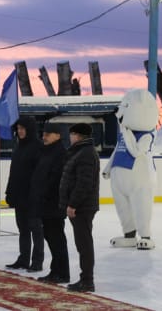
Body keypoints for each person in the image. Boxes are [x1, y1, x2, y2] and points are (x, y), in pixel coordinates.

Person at [59, 123, 100, 292]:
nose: (70, 137)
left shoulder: (85, 153)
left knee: (84, 244)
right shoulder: (80, 152)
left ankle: (87, 280)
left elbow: (84, 182)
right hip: (80, 206)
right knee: (82, 243)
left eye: (73, 134)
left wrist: (73, 204)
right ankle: (85, 278)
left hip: (82, 207)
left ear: (79, 136)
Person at [5, 116, 44, 272]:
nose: (19, 131)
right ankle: (23, 259)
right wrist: (10, 192)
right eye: (18, 129)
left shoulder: (38, 147)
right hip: (19, 197)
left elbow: (39, 175)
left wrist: (35, 195)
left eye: (22, 129)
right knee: (23, 230)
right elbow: (14, 173)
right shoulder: (18, 147)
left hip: (33, 198)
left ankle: (37, 261)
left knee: (36, 230)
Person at [32, 123, 70, 284]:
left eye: (48, 134)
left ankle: (62, 273)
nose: (44, 136)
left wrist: (45, 194)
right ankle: (56, 270)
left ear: (58, 135)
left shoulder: (60, 154)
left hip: (54, 203)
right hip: (45, 203)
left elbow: (56, 180)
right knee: (51, 237)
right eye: (44, 134)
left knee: (57, 238)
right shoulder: (45, 152)